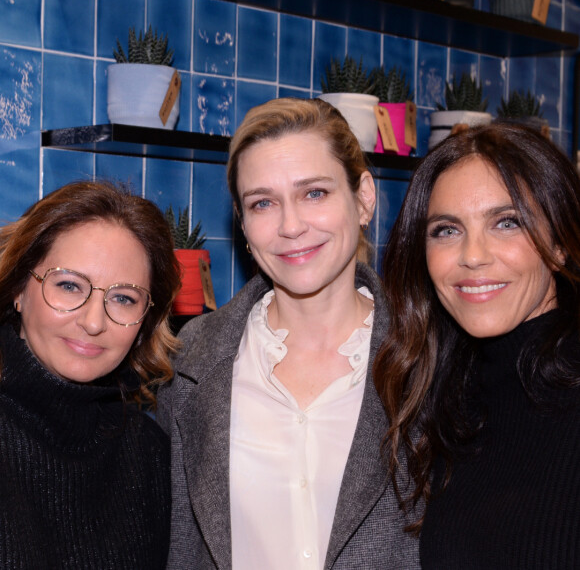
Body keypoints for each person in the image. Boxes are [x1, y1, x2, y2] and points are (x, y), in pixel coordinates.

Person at [157, 97, 420, 569]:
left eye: (314, 193)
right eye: (263, 203)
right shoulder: (192, 358)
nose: (291, 226)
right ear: (242, 222)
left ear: (363, 198)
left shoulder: (429, 354)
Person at [374, 122, 580, 569]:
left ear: (561, 241)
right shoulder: (438, 406)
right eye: (447, 230)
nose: (473, 255)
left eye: (507, 223)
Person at [0, 181, 182, 569]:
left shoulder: (149, 453)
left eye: (123, 298)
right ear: (18, 287)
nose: (95, 321)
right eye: (69, 285)